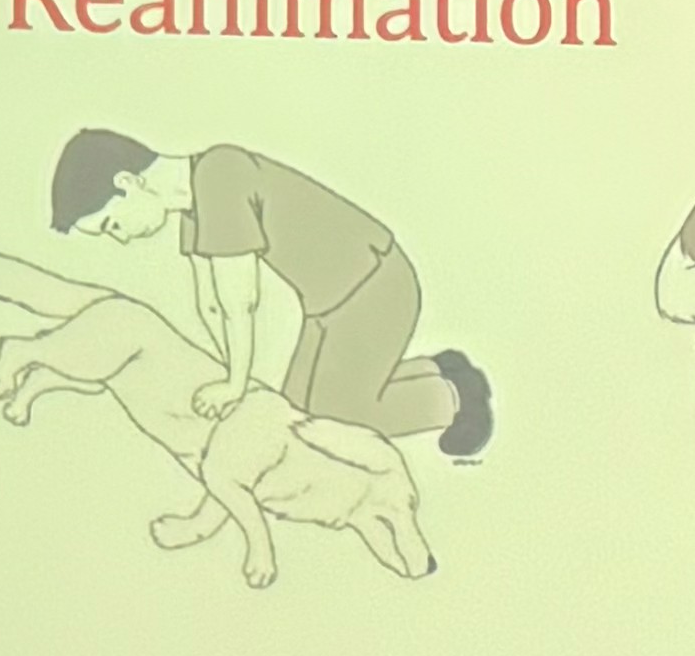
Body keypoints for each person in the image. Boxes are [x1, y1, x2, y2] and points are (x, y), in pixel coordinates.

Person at [52, 129, 493, 458]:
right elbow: (210, 303)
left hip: (374, 288)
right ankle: (440, 369)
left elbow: (239, 302)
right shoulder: (192, 204)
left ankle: (454, 401)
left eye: (111, 224)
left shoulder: (220, 178)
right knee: (298, 412)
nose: (121, 238)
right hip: (331, 306)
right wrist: (228, 378)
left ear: (128, 182)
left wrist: (234, 385)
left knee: (339, 420)